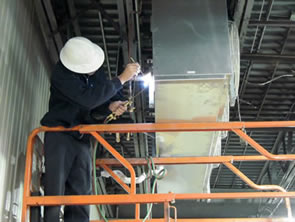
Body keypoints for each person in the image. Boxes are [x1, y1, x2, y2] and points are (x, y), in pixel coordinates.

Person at [40, 37, 139, 222]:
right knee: (55, 189)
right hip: (59, 134)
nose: (94, 70)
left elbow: (95, 105)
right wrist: (122, 79)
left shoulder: (95, 71)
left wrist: (110, 106)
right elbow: (87, 99)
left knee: (81, 192)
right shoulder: (61, 75)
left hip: (82, 135)